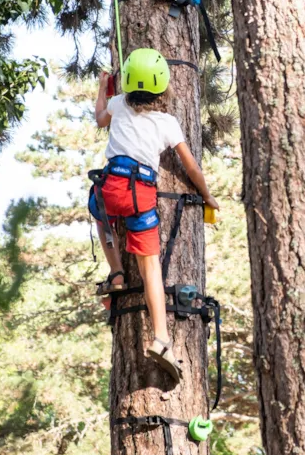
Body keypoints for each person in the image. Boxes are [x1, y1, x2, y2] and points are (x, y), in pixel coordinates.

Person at [88, 48, 218, 381]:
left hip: (109, 191)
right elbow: (190, 166)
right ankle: (161, 338)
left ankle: (116, 271)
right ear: (163, 87)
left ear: (127, 83)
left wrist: (105, 88)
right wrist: (207, 195)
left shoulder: (118, 105)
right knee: (150, 270)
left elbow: (100, 118)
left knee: (101, 216)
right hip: (140, 197)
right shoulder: (167, 123)